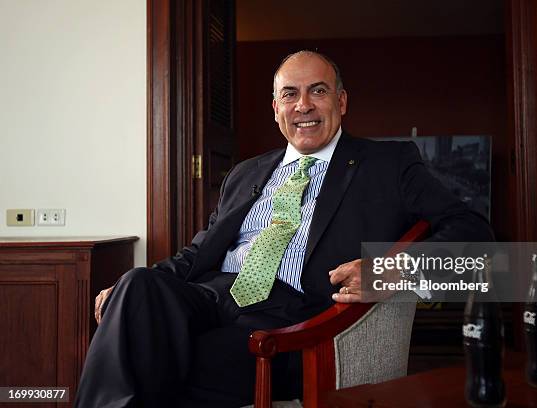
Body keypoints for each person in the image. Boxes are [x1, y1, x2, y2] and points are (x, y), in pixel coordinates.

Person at [75, 50, 493, 408]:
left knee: (152, 357)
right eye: (290, 94)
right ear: (275, 108)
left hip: (289, 317)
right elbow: (198, 252)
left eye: (319, 91)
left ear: (342, 102)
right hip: (211, 294)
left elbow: (476, 235)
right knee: (136, 285)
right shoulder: (246, 173)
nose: (303, 105)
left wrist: (390, 272)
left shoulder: (388, 164)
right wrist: (126, 297)